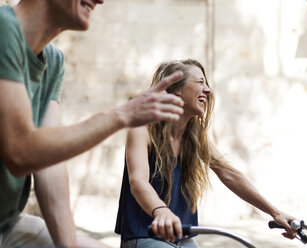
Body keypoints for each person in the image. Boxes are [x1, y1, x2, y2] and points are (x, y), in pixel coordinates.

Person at [0, 0, 185, 247]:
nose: (101, 0)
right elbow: (20, 152)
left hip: (7, 223)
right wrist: (121, 116)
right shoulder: (4, 29)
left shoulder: (53, 62)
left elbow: (49, 167)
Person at [115, 59, 296, 248]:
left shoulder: (194, 136)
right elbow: (138, 182)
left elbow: (229, 174)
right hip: (146, 234)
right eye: (200, 82)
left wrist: (275, 213)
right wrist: (161, 211)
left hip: (182, 237)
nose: (208, 90)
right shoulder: (143, 129)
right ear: (176, 88)